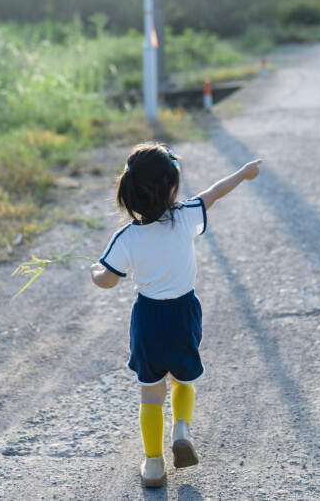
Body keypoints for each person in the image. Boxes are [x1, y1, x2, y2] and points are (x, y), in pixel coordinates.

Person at [90, 141, 262, 487]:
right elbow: (214, 192)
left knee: (151, 392)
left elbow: (107, 281)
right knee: (183, 378)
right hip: (184, 312)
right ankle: (181, 426)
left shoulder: (126, 238)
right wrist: (243, 174)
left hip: (149, 318)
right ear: (171, 187)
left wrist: (94, 270)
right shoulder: (186, 216)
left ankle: (154, 465)